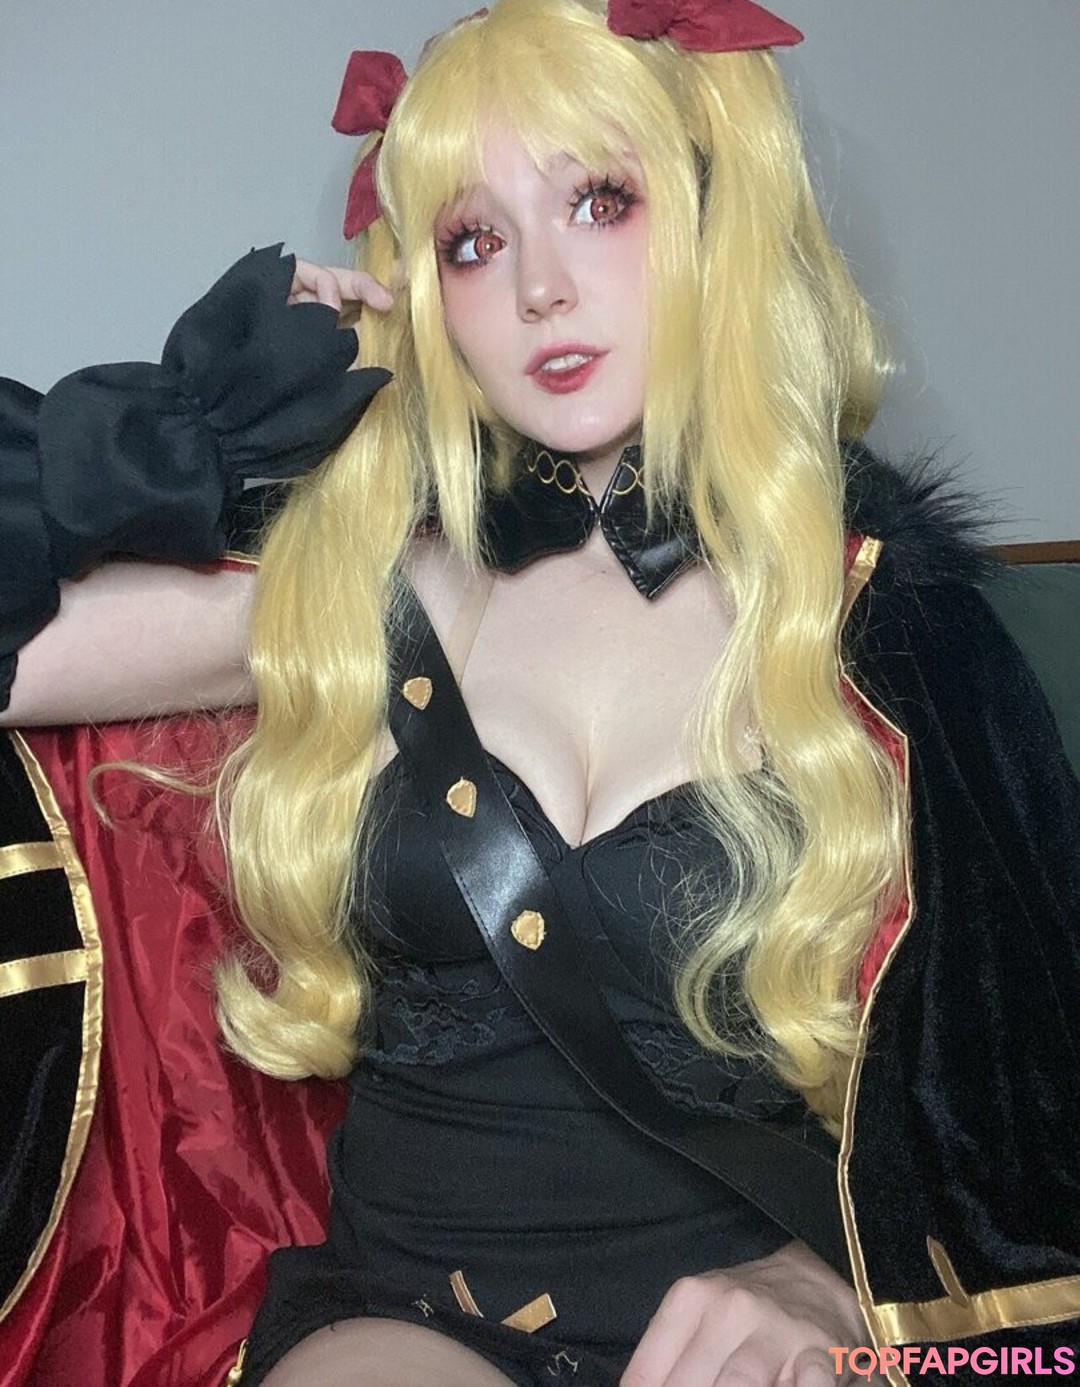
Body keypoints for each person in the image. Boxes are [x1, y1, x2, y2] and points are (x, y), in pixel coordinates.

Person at [1, 2, 1077, 1384]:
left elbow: (1029, 1086)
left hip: (767, 1335)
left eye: (599, 202)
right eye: (474, 241)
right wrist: (187, 429)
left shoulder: (889, 621)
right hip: (407, 1323)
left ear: (717, 213)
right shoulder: (353, 586)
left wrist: (839, 1287)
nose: (540, 290)